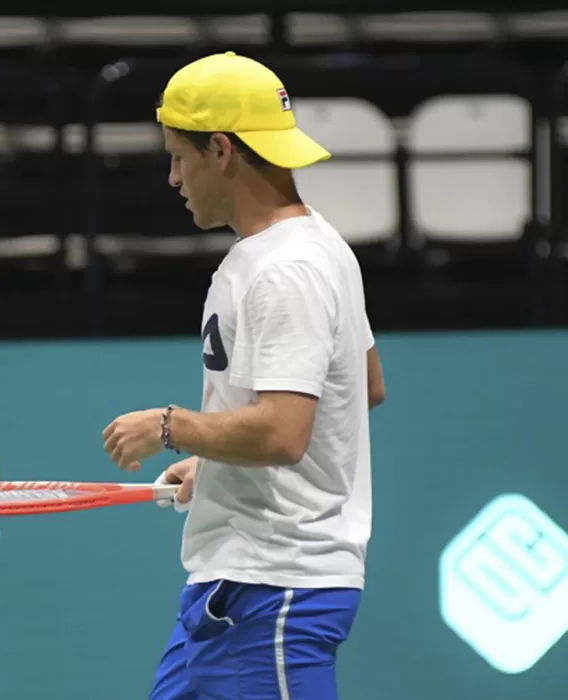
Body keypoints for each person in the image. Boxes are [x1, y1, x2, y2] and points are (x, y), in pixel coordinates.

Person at [101, 51, 387, 699]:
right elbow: (361, 386)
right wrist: (214, 460)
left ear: (223, 151)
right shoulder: (319, 249)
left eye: (178, 157)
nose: (173, 177)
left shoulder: (286, 270)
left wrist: (172, 427)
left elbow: (286, 432)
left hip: (274, 593)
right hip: (233, 589)